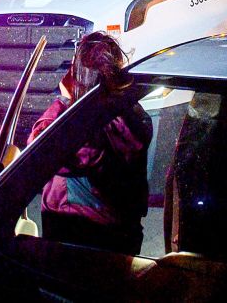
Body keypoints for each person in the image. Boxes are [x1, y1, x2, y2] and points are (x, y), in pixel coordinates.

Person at [27, 32, 153, 254]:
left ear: (77, 76)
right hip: (123, 235)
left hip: (72, 231)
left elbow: (38, 149)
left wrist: (64, 101)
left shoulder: (77, 130)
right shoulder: (135, 117)